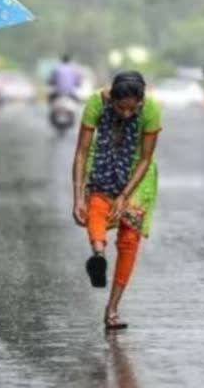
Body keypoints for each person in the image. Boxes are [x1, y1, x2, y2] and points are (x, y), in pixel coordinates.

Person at [71, 71, 161, 330]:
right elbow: (81, 152)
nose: (126, 114)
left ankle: (112, 310)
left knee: (129, 240)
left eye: (132, 109)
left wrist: (124, 196)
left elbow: (145, 159)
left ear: (141, 102)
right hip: (103, 165)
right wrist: (78, 197)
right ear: (111, 99)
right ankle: (98, 256)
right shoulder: (95, 104)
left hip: (138, 176)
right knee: (96, 208)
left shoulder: (151, 109)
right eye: (120, 108)